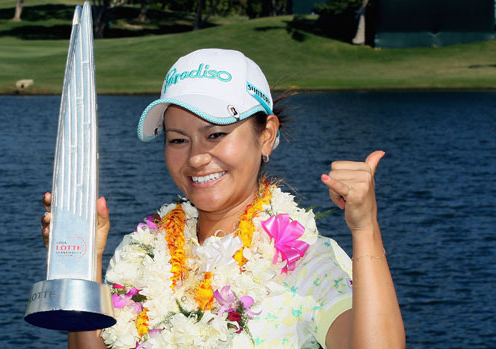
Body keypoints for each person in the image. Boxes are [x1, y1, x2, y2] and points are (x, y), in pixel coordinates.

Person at [41, 48, 405, 348]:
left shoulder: (308, 261)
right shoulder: (141, 252)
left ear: (266, 135)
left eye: (215, 134)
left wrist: (365, 228)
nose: (196, 157)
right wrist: (83, 263)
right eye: (177, 139)